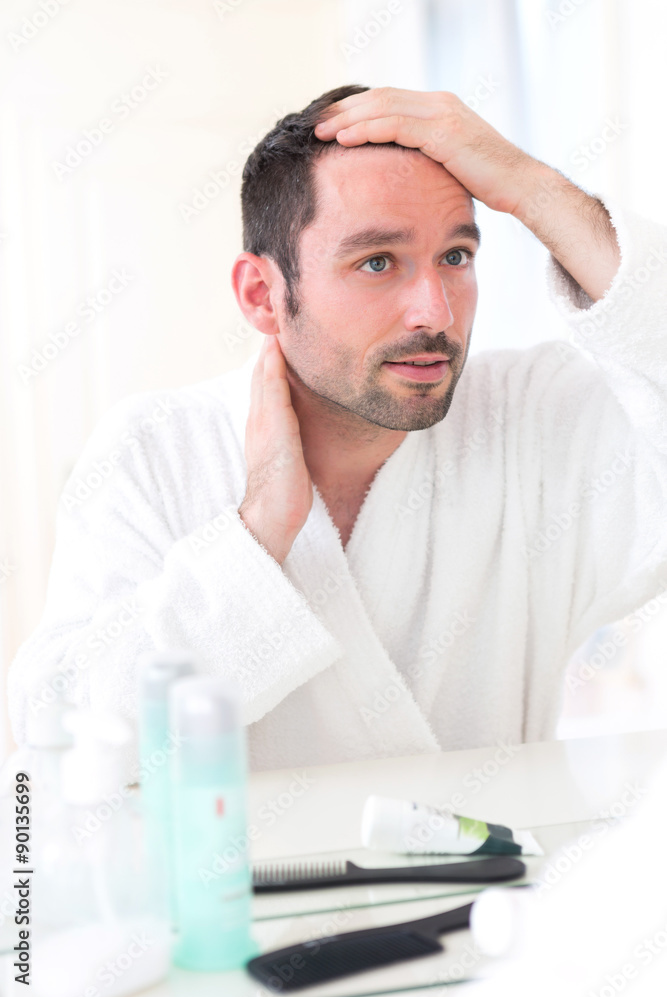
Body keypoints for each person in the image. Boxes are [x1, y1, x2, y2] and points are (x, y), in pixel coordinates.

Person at [7, 85, 667, 775]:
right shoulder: (157, 452)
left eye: (455, 256)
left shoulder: (530, 418)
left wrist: (529, 186)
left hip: (501, 853)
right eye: (377, 262)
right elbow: (59, 735)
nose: (435, 313)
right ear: (263, 295)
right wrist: (258, 533)